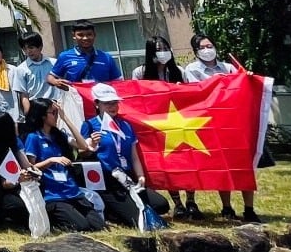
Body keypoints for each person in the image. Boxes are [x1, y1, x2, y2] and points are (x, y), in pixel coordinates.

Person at [182, 34, 261, 223]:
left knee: (243, 165)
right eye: (203, 47)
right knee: (222, 166)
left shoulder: (229, 67)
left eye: (210, 45)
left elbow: (240, 86)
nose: (208, 49)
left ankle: (249, 209)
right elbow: (199, 92)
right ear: (196, 51)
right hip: (213, 124)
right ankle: (227, 207)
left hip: (235, 123)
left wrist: (247, 79)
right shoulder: (192, 69)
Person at [80, 83, 171, 227]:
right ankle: (111, 210)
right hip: (107, 181)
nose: (112, 106)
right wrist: (91, 145)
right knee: (135, 217)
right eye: (107, 103)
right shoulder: (90, 125)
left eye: (115, 102)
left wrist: (140, 177)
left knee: (161, 205)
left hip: (127, 179)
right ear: (97, 104)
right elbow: (82, 153)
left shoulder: (126, 125)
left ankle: (122, 208)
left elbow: (134, 156)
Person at [23, 98, 105, 232]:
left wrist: (65, 118)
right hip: (53, 195)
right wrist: (51, 160)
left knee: (98, 225)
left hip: (72, 191)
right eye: (53, 113)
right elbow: (30, 168)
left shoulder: (59, 135)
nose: (57, 116)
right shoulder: (33, 137)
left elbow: (83, 145)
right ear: (43, 116)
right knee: (81, 226)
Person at [132, 35, 188, 217]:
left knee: (187, 162)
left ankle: (192, 201)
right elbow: (136, 98)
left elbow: (192, 97)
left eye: (165, 48)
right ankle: (178, 203)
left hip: (181, 124)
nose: (163, 52)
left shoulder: (178, 71)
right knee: (168, 165)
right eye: (158, 49)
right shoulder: (140, 73)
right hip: (156, 126)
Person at [51, 20, 122, 86]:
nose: (85, 38)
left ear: (94, 35)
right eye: (80, 35)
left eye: (89, 34)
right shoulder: (64, 56)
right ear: (74, 36)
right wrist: (55, 82)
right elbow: (51, 76)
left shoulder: (106, 57)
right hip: (76, 98)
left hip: (100, 98)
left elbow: (118, 81)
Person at [15, 31, 61, 120]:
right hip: (35, 107)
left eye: (31, 47)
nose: (28, 51)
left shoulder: (54, 63)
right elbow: (24, 95)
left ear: (40, 47)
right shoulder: (21, 69)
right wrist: (28, 113)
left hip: (54, 105)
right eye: (25, 49)